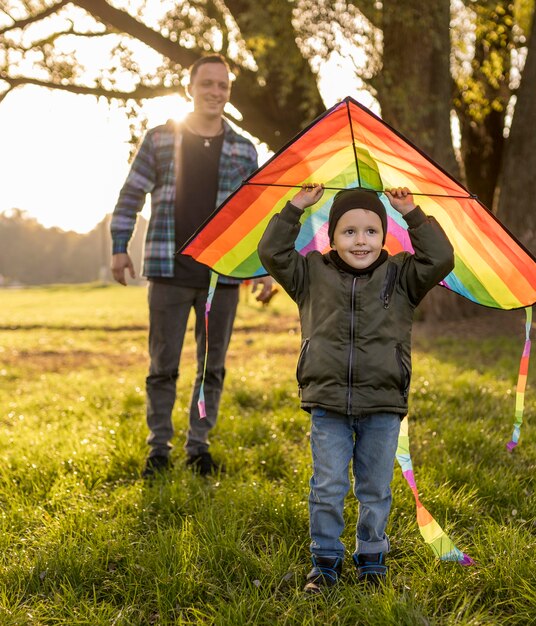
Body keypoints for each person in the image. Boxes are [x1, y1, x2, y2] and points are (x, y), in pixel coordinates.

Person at [258, 185, 454, 591]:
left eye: (370, 231)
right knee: (327, 486)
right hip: (327, 402)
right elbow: (272, 254)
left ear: (385, 236)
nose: (360, 240)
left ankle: (372, 559)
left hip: (382, 404)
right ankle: (326, 561)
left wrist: (411, 213)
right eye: (349, 232)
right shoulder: (310, 273)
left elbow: (440, 258)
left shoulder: (402, 276)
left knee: (374, 488)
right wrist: (295, 207)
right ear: (332, 237)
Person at [110, 54, 274, 478]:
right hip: (168, 268)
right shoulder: (160, 138)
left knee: (211, 366)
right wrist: (119, 244)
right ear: (190, 88)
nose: (215, 92)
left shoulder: (243, 148)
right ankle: (158, 450)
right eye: (207, 84)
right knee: (162, 365)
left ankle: (198, 446)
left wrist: (261, 268)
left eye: (223, 86)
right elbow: (131, 194)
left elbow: (252, 215)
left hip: (221, 275)